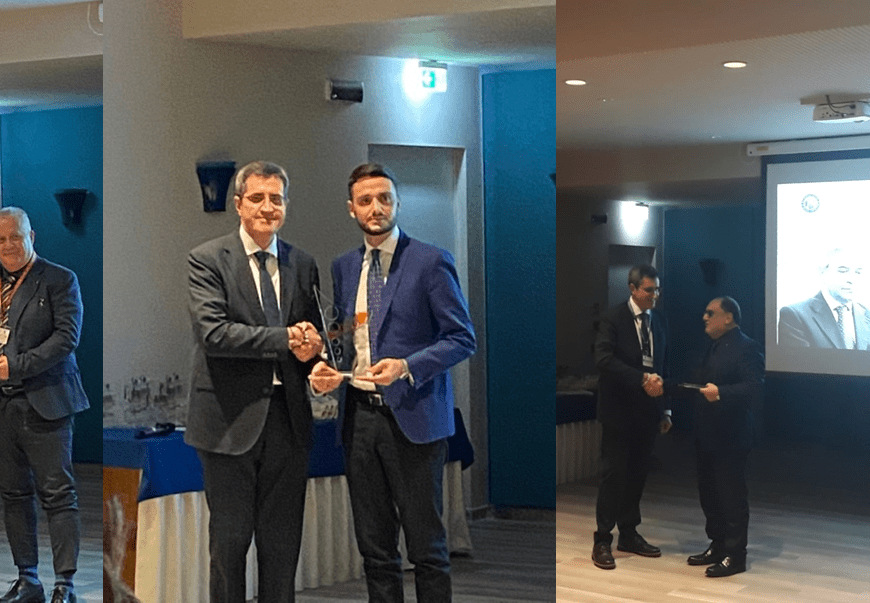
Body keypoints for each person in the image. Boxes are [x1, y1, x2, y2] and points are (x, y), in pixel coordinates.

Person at [309, 162, 475, 602]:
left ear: (397, 203)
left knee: (427, 548)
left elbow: (462, 338)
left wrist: (406, 366)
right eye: (365, 201)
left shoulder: (430, 261)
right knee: (375, 548)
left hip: (414, 417)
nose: (376, 208)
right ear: (351, 209)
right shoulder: (344, 267)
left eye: (384, 198)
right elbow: (351, 333)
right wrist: (327, 365)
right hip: (359, 420)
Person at [185, 161, 323, 603]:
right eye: (258, 198)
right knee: (230, 544)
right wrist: (286, 339)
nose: (268, 208)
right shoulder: (208, 259)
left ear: (286, 205)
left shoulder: (303, 263)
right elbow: (213, 334)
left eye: (276, 199)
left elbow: (312, 335)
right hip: (228, 422)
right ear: (238, 204)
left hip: (289, 421)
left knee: (282, 546)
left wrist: (317, 360)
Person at [0, 207, 89, 603]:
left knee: (58, 494)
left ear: (31, 236)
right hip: (4, 407)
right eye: (0, 240)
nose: (8, 246)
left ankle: (65, 584)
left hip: (46, 402)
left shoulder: (59, 279)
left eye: (15, 237)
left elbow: (66, 339)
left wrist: (15, 366)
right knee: (14, 495)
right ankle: (28, 580)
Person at [591, 264, 672, 571]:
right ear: (633, 288)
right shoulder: (613, 318)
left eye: (657, 290)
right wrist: (641, 379)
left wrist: (665, 409)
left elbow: (663, 364)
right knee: (613, 475)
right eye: (649, 290)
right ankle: (602, 539)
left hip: (648, 411)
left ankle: (629, 534)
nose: (655, 296)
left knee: (638, 473)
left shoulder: (659, 320)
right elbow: (603, 359)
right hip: (618, 410)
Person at [685, 296, 763, 577]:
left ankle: (735, 555)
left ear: (728, 317)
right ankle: (717, 545)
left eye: (710, 313)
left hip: (731, 435)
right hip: (708, 434)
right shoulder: (715, 346)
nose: (704, 318)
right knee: (709, 494)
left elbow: (754, 387)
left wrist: (721, 393)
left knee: (731, 497)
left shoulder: (747, 347)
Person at [778, 248, 869, 349]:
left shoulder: (866, 314)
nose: (851, 279)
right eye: (843, 271)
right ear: (822, 273)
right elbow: (798, 359)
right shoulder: (795, 315)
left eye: (858, 272)